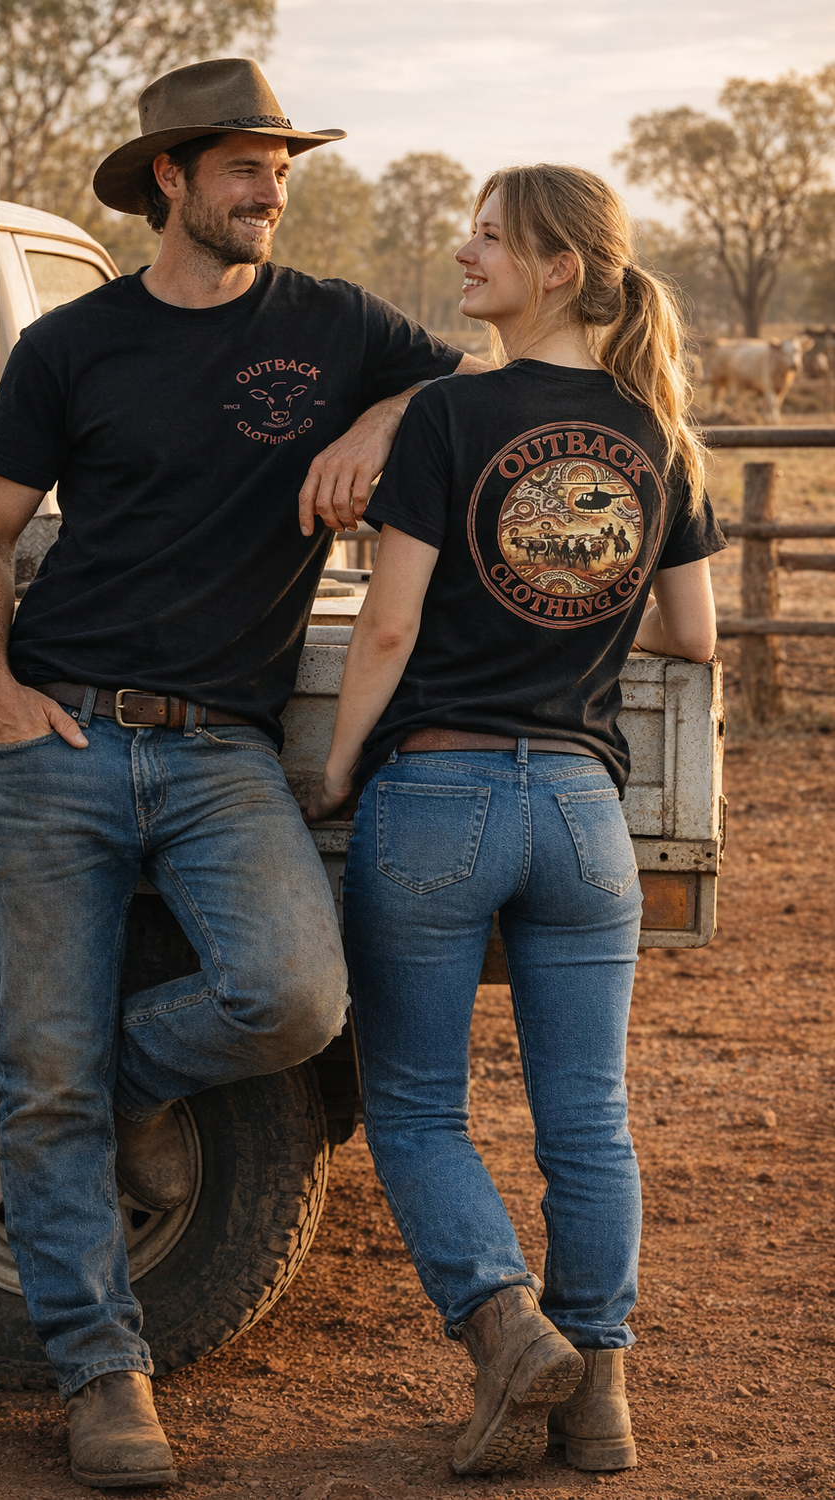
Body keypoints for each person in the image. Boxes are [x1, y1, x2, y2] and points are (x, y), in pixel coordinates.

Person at [0, 56, 488, 1490]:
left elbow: (471, 376)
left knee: (296, 997)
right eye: (245, 164)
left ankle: (122, 1084)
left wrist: (381, 418)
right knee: (36, 1073)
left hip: (222, 749)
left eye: (282, 164)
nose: (272, 187)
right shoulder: (75, 348)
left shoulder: (336, 326)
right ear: (170, 182)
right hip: (58, 740)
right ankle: (103, 1377)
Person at [302, 163, 724, 1478]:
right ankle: (599, 1396)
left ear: (558, 269)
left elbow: (386, 619)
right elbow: (698, 637)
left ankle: (505, 1324)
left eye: (491, 238)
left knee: (420, 1106)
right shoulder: (657, 434)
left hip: (437, 794)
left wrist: (338, 762)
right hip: (585, 814)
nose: (466, 253)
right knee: (587, 1114)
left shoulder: (448, 412)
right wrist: (571, 606)